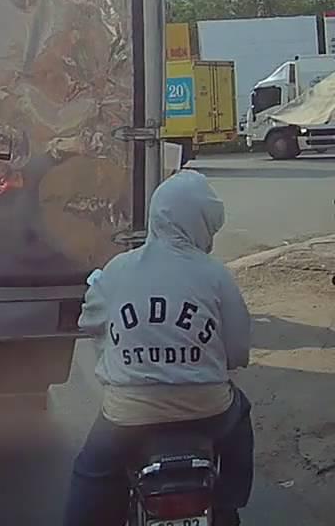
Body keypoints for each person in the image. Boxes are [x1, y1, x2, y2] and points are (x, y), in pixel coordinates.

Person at [63, 169, 254, 526]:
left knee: (91, 472)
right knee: (240, 417)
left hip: (129, 415)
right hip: (207, 409)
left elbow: (88, 321)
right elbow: (239, 352)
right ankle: (228, 504)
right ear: (199, 222)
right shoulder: (216, 275)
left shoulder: (118, 270)